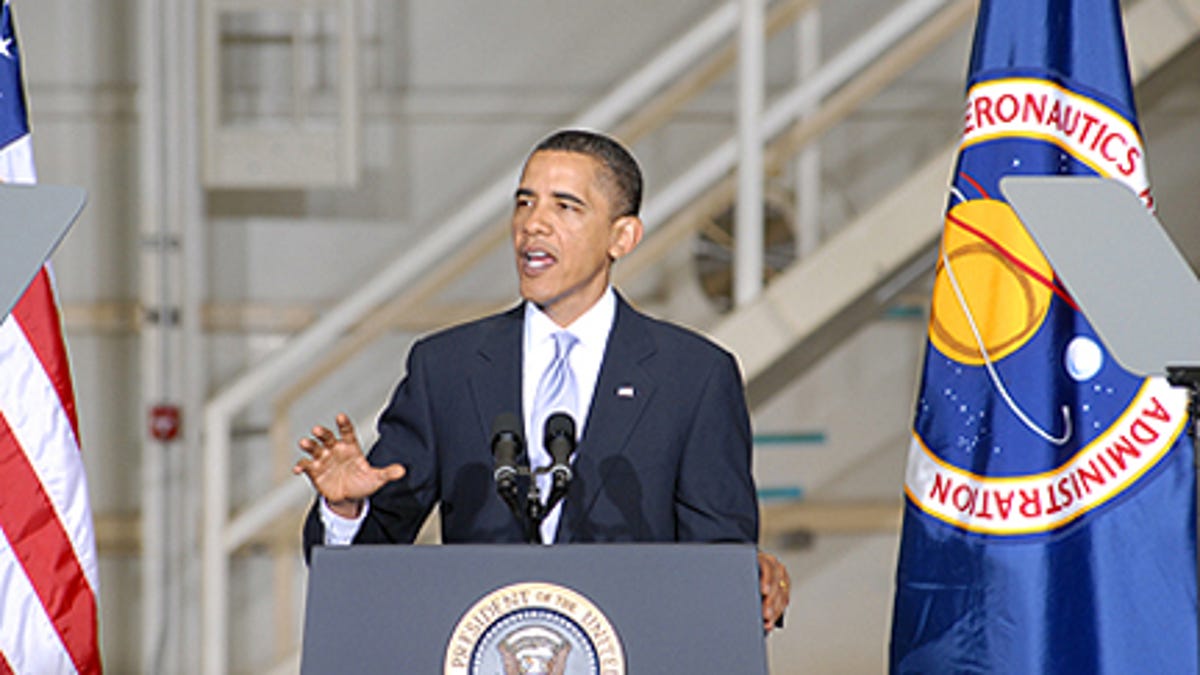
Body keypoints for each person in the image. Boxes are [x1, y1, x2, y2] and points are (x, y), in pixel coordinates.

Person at [294, 129, 791, 631]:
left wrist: (746, 577)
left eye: (565, 206)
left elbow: (719, 558)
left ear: (623, 237)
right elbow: (364, 562)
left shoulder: (693, 376)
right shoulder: (447, 367)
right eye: (525, 202)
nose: (534, 224)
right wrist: (344, 508)